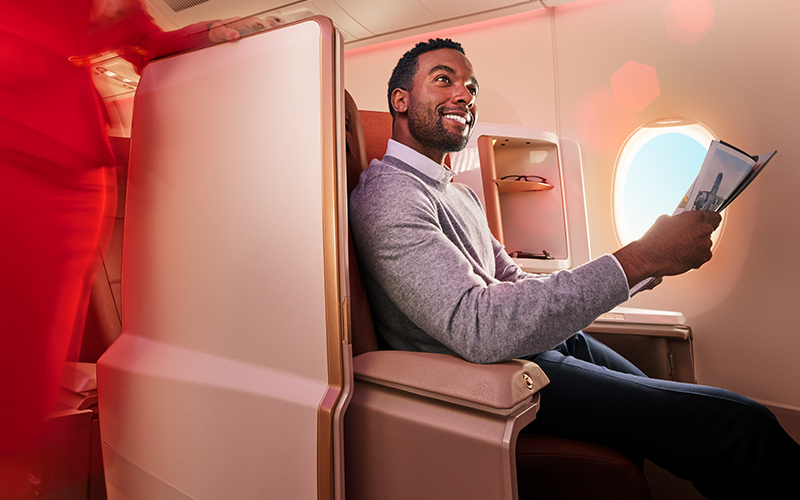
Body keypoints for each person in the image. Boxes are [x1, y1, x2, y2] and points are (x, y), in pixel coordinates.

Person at [348, 38, 800, 499]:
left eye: (471, 87)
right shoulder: (390, 196)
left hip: (529, 351)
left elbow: (515, 282)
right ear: (400, 100)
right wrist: (640, 257)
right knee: (742, 424)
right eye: (444, 79)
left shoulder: (457, 194)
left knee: (680, 412)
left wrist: (646, 262)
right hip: (486, 380)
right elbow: (478, 329)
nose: (464, 95)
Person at [0, 0, 266, 455]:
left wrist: (208, 36)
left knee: (24, 376)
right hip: (19, 154)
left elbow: (145, 41)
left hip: (69, 178)